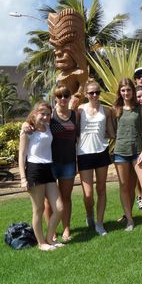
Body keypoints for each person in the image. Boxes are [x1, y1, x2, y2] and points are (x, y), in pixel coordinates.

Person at [18, 101, 64, 251]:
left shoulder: (50, 126)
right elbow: (21, 155)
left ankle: (49, 238)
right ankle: (41, 243)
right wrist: (23, 178)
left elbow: (65, 115)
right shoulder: (28, 130)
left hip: (48, 169)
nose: (45, 117)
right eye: (42, 113)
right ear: (35, 113)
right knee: (38, 209)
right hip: (34, 170)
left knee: (59, 208)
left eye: (48, 114)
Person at [113, 78, 142, 230]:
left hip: (138, 152)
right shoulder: (116, 109)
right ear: (120, 92)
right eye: (123, 90)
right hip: (120, 152)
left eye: (128, 90)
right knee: (125, 187)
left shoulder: (141, 108)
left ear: (133, 91)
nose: (126, 93)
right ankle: (130, 220)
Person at [77, 79, 115, 236]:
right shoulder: (80, 110)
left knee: (101, 189)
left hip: (101, 152)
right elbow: (74, 129)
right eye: (91, 93)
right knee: (88, 194)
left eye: (97, 92)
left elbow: (112, 133)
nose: (94, 95)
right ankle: (89, 216)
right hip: (83, 153)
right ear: (86, 94)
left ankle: (99, 223)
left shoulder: (105, 111)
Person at [47, 86, 79, 241]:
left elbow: (78, 138)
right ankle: (51, 230)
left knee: (66, 197)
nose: (63, 99)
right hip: (51, 163)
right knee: (49, 199)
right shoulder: (50, 115)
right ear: (55, 98)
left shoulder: (74, 115)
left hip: (69, 162)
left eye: (66, 95)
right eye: (60, 96)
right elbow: (34, 122)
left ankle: (66, 228)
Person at [134, 85, 142, 209]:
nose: (141, 99)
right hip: (137, 147)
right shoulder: (134, 110)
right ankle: (140, 198)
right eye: (139, 96)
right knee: (138, 178)